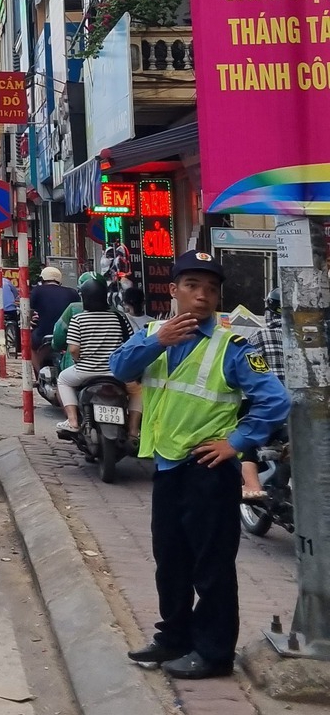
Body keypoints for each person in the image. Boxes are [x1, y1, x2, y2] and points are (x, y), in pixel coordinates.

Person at [111, 248, 291, 679]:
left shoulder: (232, 346)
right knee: (169, 558)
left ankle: (213, 653)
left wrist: (236, 442)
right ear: (174, 290)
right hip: (167, 466)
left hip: (208, 470)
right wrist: (159, 340)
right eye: (192, 286)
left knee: (211, 566)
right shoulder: (153, 334)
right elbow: (119, 367)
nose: (202, 295)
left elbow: (275, 400)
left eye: (210, 288)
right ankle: (173, 637)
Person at [56, 274, 135, 440]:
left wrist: (79, 361)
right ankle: (134, 430)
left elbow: (73, 349)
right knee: (138, 390)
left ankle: (72, 421)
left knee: (63, 380)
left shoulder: (78, 319)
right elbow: (130, 343)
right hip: (116, 372)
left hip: (86, 371)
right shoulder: (119, 317)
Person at [30, 266, 80, 370]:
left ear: (42, 279)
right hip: (67, 334)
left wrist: (30, 319)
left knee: (31, 348)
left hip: (43, 334)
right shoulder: (72, 292)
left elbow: (29, 310)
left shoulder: (37, 291)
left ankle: (39, 374)